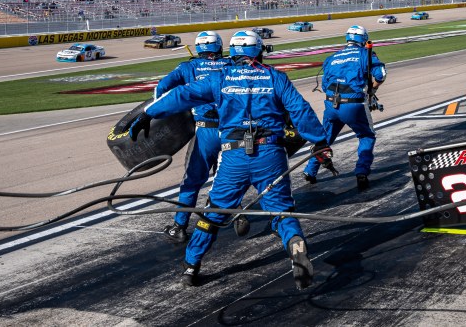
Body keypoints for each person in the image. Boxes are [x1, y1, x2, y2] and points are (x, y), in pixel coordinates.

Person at [129, 30, 334, 290]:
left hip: (234, 155)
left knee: (213, 213)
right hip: (271, 154)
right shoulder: (276, 77)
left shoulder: (220, 77)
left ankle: (191, 265)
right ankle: (295, 241)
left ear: (233, 52)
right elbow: (300, 109)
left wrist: (149, 113)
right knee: (281, 210)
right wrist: (320, 141)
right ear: (259, 51)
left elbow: (181, 94)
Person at [155, 31, 232, 244]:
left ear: (198, 48)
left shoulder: (188, 67)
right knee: (230, 178)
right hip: (232, 130)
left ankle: (179, 226)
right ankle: (237, 215)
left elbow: (161, 87)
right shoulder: (231, 64)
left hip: (205, 132)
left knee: (192, 180)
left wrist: (163, 116)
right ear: (219, 46)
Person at [302, 25, 386, 191]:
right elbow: (381, 75)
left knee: (324, 139)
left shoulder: (332, 57)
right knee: (367, 136)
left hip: (331, 104)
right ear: (364, 39)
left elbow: (325, 85)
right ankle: (361, 171)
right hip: (354, 104)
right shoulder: (366, 54)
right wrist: (372, 90)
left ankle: (310, 171)